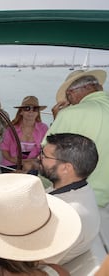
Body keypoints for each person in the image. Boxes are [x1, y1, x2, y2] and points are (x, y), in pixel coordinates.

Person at [45, 70, 109, 247]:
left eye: (68, 96)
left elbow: (48, 155)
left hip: (78, 202)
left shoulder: (70, 114)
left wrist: (59, 119)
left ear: (73, 92)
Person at [39, 133, 100, 264]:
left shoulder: (69, 214)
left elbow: (38, 260)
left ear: (66, 168)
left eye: (44, 156)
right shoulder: (79, 190)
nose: (39, 158)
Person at [0, 95, 48, 173]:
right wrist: (19, 162)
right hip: (11, 163)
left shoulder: (43, 129)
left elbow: (46, 150)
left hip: (33, 164)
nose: (30, 112)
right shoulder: (11, 129)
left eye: (34, 109)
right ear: (21, 112)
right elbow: (4, 150)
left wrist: (31, 163)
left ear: (37, 113)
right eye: (27, 108)